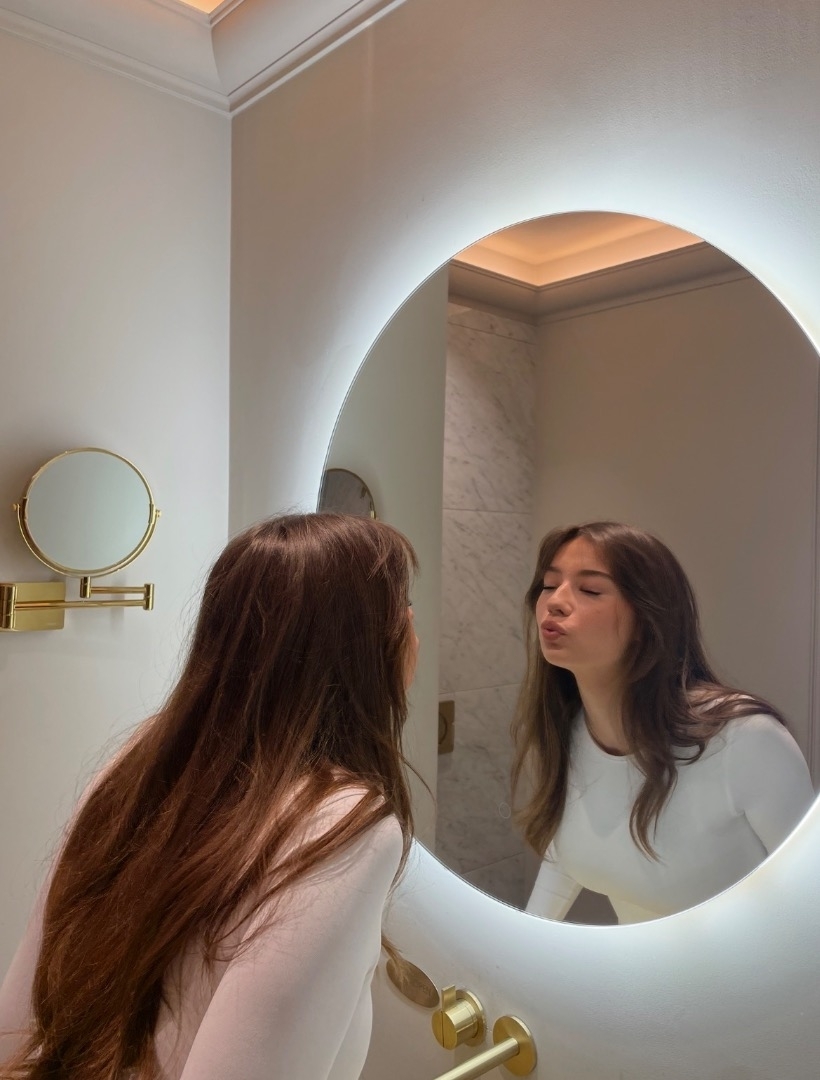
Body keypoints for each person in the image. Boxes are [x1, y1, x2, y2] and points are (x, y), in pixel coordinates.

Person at [0, 512, 419, 1080]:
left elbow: (17, 1029)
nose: (412, 628)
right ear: (368, 647)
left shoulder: (142, 760)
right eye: (402, 609)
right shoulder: (346, 824)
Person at [512, 521, 815, 925]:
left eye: (590, 590)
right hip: (640, 967)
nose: (556, 602)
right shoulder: (568, 731)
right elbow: (569, 850)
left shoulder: (746, 741)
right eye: (549, 585)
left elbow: (811, 899)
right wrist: (526, 938)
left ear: (647, 619)